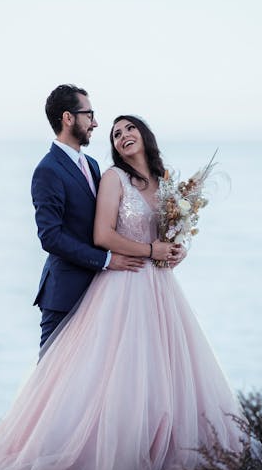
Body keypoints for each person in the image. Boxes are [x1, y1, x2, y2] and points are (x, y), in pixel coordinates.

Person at [0, 114, 244, 470]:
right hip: (123, 283)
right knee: (117, 374)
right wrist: (150, 251)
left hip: (160, 288)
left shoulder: (166, 182)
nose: (123, 135)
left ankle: (166, 462)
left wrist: (177, 250)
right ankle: (103, 463)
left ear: (145, 135)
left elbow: (168, 234)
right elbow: (102, 235)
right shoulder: (112, 177)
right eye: (116, 133)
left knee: (165, 372)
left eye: (129, 128)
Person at [31, 84, 176, 347]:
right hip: (65, 293)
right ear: (68, 118)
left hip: (105, 293)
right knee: (52, 377)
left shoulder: (92, 165)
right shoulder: (48, 169)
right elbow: (50, 237)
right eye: (89, 114)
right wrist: (106, 259)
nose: (95, 123)